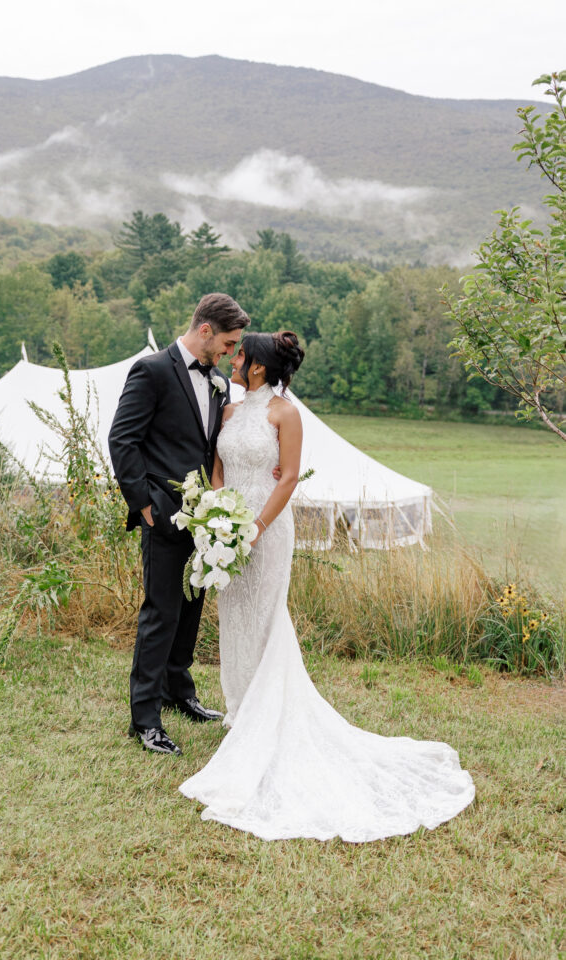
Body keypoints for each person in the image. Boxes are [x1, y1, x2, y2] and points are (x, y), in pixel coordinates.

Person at [179, 331, 475, 841]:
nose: (233, 359)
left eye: (240, 355)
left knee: (268, 617)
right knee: (235, 617)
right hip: (227, 528)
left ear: (257, 366)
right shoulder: (227, 411)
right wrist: (218, 515)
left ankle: (266, 719)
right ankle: (240, 713)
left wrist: (254, 528)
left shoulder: (284, 414)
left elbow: (289, 477)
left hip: (266, 530)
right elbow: (218, 466)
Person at [109, 293, 250, 755]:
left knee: (191, 607)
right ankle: (145, 717)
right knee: (161, 611)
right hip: (162, 513)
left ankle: (179, 691)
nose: (231, 353)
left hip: (204, 520)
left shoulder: (219, 385)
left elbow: (209, 448)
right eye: (228, 343)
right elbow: (123, 439)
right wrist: (144, 505)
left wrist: (216, 510)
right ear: (205, 330)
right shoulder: (151, 370)